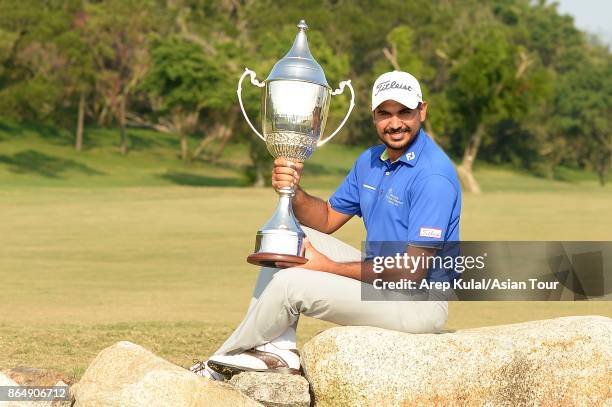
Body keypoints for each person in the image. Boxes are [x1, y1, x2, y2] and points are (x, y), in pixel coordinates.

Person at [190, 70, 462, 380]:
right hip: (380, 281)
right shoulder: (371, 160)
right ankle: (279, 347)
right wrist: (294, 191)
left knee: (292, 284)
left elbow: (413, 271)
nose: (395, 123)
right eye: (385, 113)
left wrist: (327, 266)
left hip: (419, 303)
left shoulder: (434, 176)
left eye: (404, 112)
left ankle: (220, 363)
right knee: (288, 238)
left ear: (422, 111)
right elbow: (327, 218)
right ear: (373, 116)